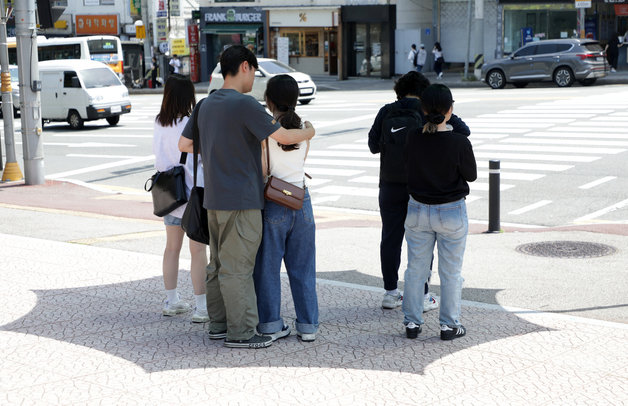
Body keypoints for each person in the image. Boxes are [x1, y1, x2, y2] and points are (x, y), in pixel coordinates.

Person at [178, 45, 315, 349]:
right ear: (244, 67)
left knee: (218, 266)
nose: (254, 78)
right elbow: (284, 137)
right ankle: (242, 332)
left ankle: (219, 325)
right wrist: (310, 131)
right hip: (242, 200)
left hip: (212, 199)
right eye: (254, 71)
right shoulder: (246, 105)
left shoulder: (205, 104)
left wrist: (220, 149)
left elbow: (184, 143)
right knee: (239, 269)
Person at [368, 71, 470, 313]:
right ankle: (423, 295)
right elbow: (463, 131)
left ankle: (391, 293)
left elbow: (373, 146)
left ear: (399, 89)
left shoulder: (386, 111)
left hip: (389, 185)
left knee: (390, 238)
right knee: (423, 242)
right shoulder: (428, 111)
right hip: (420, 186)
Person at [402, 83, 477, 341]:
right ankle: (449, 325)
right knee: (451, 272)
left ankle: (412, 323)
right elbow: (471, 175)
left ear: (422, 110)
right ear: (450, 110)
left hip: (417, 210)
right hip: (451, 211)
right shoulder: (458, 141)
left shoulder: (412, 136)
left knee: (415, 270)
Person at [253, 75, 319, 343]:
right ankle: (308, 326)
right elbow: (300, 158)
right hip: (301, 200)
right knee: (303, 267)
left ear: (269, 101)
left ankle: (270, 324)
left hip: (274, 201)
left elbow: (265, 170)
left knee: (268, 268)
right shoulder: (304, 128)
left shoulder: (266, 131)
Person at [153, 74, 208, 323]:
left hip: (168, 192)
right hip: (191, 194)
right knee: (197, 251)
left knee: (171, 248)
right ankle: (201, 307)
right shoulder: (188, 122)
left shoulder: (159, 121)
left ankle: (171, 300)